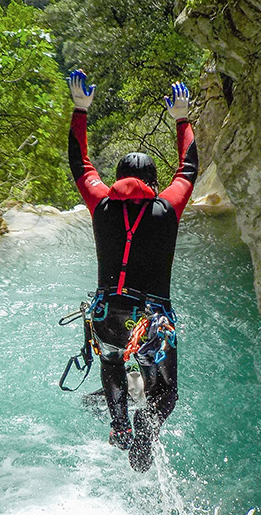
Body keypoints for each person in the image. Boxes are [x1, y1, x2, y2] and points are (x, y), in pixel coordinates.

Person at [66, 69, 198, 472]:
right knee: (167, 394)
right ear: (153, 183)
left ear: (120, 178)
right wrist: (182, 118)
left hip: (107, 315)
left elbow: (79, 163)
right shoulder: (167, 207)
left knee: (111, 362)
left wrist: (80, 109)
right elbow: (189, 168)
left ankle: (120, 423)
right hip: (151, 320)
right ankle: (144, 433)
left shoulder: (101, 204)